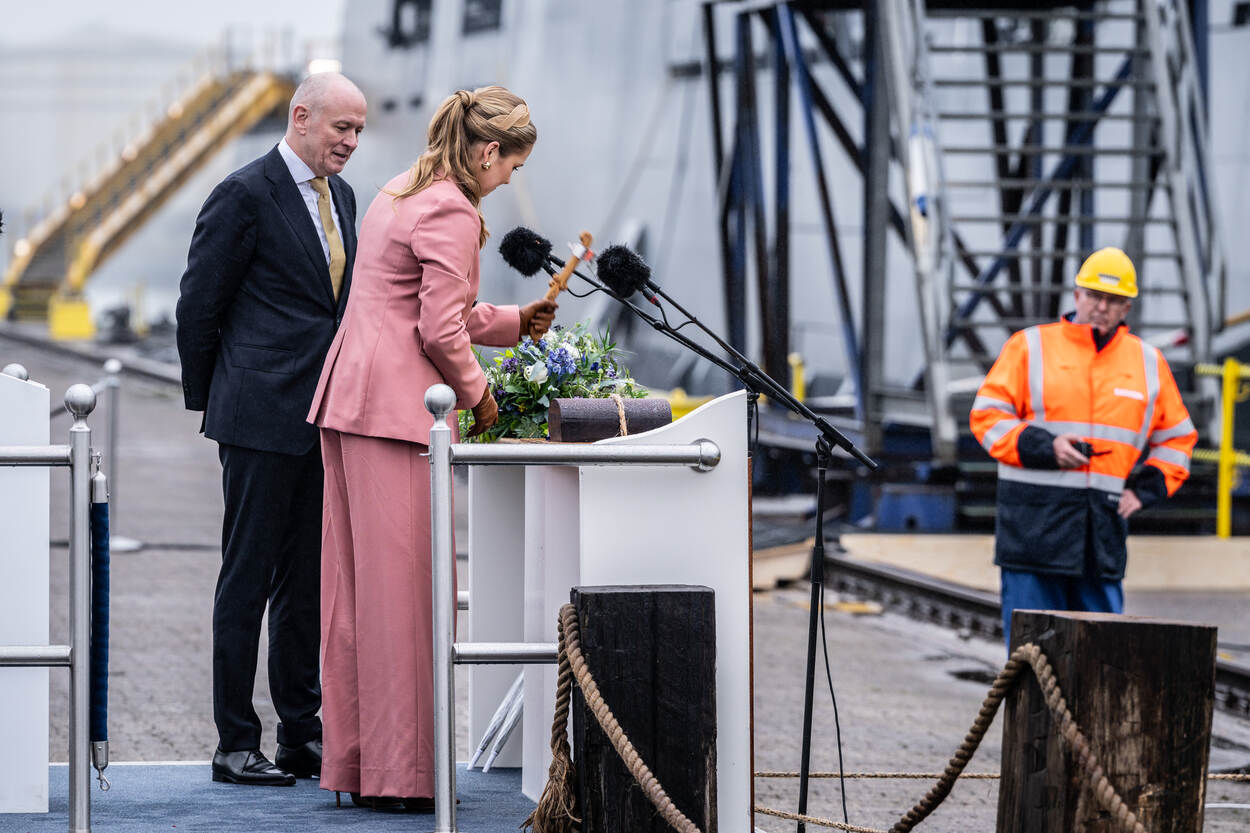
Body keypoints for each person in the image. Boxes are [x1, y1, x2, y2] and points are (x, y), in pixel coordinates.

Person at [307, 85, 557, 808]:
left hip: (351, 401)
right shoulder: (453, 207)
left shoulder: (400, 188)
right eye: (511, 166)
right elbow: (439, 332)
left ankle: (356, 764)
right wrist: (483, 396)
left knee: (354, 599)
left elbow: (420, 305)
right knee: (410, 600)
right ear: (487, 152)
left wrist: (513, 321)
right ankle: (403, 775)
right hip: (395, 416)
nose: (510, 180)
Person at [175, 72, 367, 786]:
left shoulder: (342, 198)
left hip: (322, 419)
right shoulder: (243, 195)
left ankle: (300, 736)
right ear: (302, 117)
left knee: (305, 584)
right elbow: (198, 307)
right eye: (340, 129)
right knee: (246, 579)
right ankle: (233, 741)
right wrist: (216, 402)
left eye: (358, 132)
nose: (350, 143)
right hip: (257, 420)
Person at [969, 247, 1197, 644]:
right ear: (1076, 295)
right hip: (1034, 536)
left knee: (1103, 662)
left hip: (1100, 538)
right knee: (1031, 659)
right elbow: (987, 417)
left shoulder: (1147, 363)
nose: (1101, 307)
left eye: (1113, 301)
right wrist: (1046, 445)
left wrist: (1144, 490)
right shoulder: (1030, 347)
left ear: (1127, 307)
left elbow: (1178, 437)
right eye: (1093, 296)